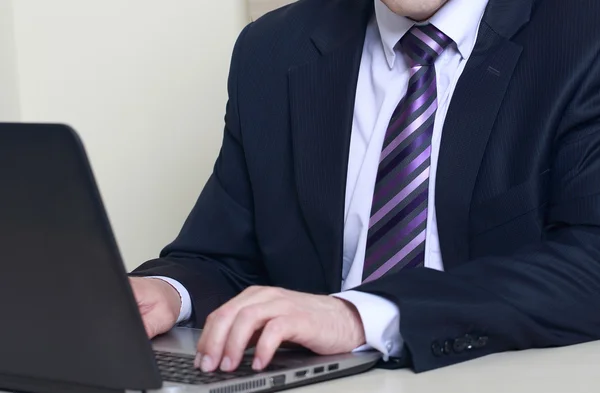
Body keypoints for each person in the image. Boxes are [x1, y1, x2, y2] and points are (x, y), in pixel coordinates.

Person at [130, 0, 600, 375]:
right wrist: (169, 291)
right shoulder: (272, 49)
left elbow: (590, 265)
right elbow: (222, 254)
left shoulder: (584, 35)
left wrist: (359, 316)